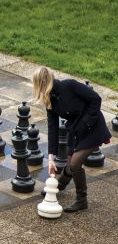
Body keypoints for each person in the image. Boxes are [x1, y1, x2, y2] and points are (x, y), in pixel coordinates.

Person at [32, 67, 111, 213]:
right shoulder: (49, 100)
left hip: (93, 128)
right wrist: (51, 158)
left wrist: (87, 122)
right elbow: (53, 129)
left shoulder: (69, 85)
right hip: (75, 131)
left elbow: (96, 99)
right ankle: (59, 186)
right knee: (70, 163)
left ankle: (82, 200)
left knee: (74, 164)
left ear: (42, 82)